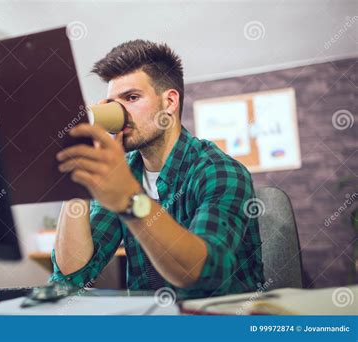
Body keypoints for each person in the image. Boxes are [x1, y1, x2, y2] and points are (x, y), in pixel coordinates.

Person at [50, 39, 264, 298]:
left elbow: (203, 275)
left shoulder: (218, 171)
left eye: (131, 98)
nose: (119, 112)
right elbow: (73, 276)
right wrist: (77, 178)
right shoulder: (123, 173)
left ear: (170, 102)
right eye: (112, 103)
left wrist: (131, 201)